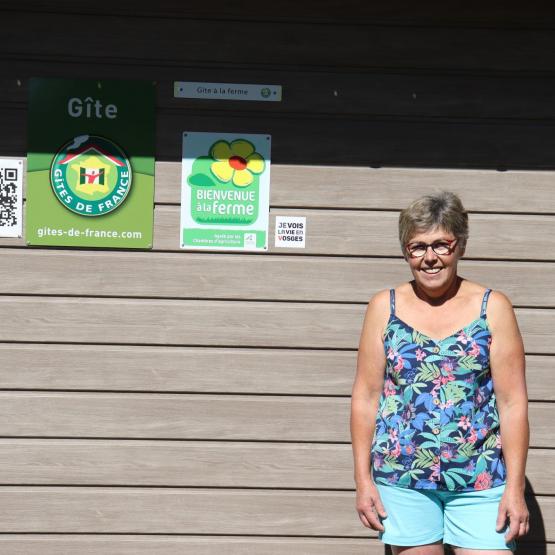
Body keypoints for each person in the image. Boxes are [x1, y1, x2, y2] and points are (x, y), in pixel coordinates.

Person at [350, 191, 529, 554]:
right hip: (403, 479)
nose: (429, 258)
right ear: (405, 252)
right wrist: (362, 479)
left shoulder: (493, 308)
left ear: (459, 246)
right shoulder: (384, 308)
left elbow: (512, 404)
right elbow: (366, 397)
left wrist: (514, 487)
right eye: (417, 247)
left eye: (441, 245)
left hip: (482, 479)